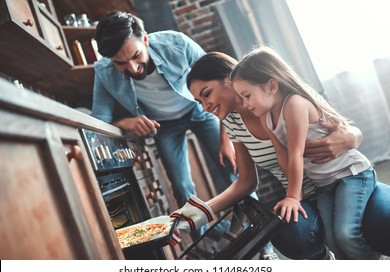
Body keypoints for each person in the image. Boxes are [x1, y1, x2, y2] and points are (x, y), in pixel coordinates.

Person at [173, 51, 390, 259]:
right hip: (312, 192)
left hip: (346, 176)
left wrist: (350, 138)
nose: (204, 107)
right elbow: (247, 181)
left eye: (206, 94)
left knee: (376, 222)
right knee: (291, 232)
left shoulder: (284, 97)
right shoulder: (231, 121)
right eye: (199, 102)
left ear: (228, 79)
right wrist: (195, 215)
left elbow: (342, 126)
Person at [230, 46, 380, 259]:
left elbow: (295, 155)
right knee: (332, 240)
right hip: (325, 185)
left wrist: (292, 196)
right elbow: (284, 159)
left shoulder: (294, 105)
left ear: (271, 85)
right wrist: (297, 195)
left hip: (351, 175)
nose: (245, 104)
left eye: (247, 95)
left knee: (346, 234)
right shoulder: (266, 117)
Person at [91, 12, 237, 215]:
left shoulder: (177, 44)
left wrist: (227, 137)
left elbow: (223, 85)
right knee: (181, 187)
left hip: (200, 111)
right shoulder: (104, 72)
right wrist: (124, 122)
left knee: (230, 169)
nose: (132, 68)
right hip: (164, 125)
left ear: (144, 39)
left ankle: (263, 242)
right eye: (120, 63)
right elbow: (98, 121)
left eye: (136, 56)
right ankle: (205, 241)